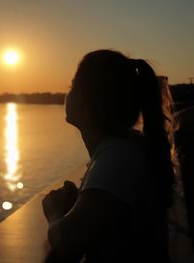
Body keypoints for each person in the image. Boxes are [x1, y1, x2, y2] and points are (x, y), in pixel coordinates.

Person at [42, 50, 175, 262]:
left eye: (73, 86)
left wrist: (54, 211)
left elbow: (68, 242)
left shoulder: (118, 159)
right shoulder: (125, 150)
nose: (67, 93)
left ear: (89, 100)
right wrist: (84, 202)